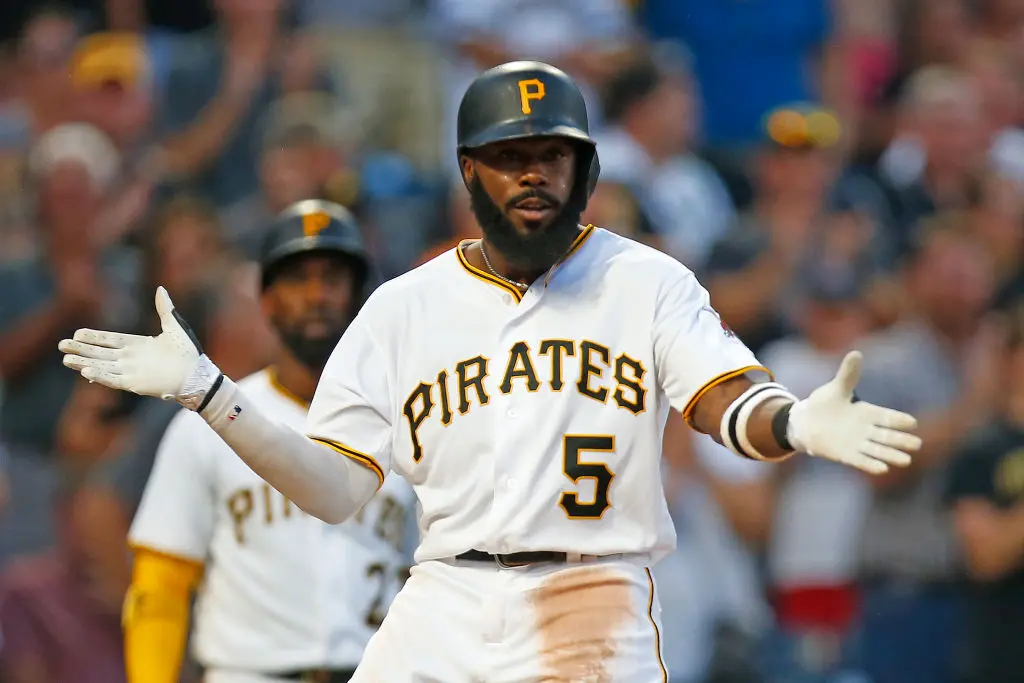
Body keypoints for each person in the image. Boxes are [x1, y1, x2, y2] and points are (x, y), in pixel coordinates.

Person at [59, 61, 922, 682]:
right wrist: (212, 394)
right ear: (470, 170)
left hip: (591, 591)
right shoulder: (403, 306)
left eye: (553, 154)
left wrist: (794, 422)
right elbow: (333, 491)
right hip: (443, 597)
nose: (533, 174)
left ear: (585, 169)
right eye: (511, 156)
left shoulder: (645, 279)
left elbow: (723, 396)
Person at [120, 200, 415, 683]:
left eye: (333, 278)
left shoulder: (405, 417)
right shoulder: (208, 420)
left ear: (360, 296)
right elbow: (161, 586)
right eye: (298, 278)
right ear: (268, 301)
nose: (317, 294)